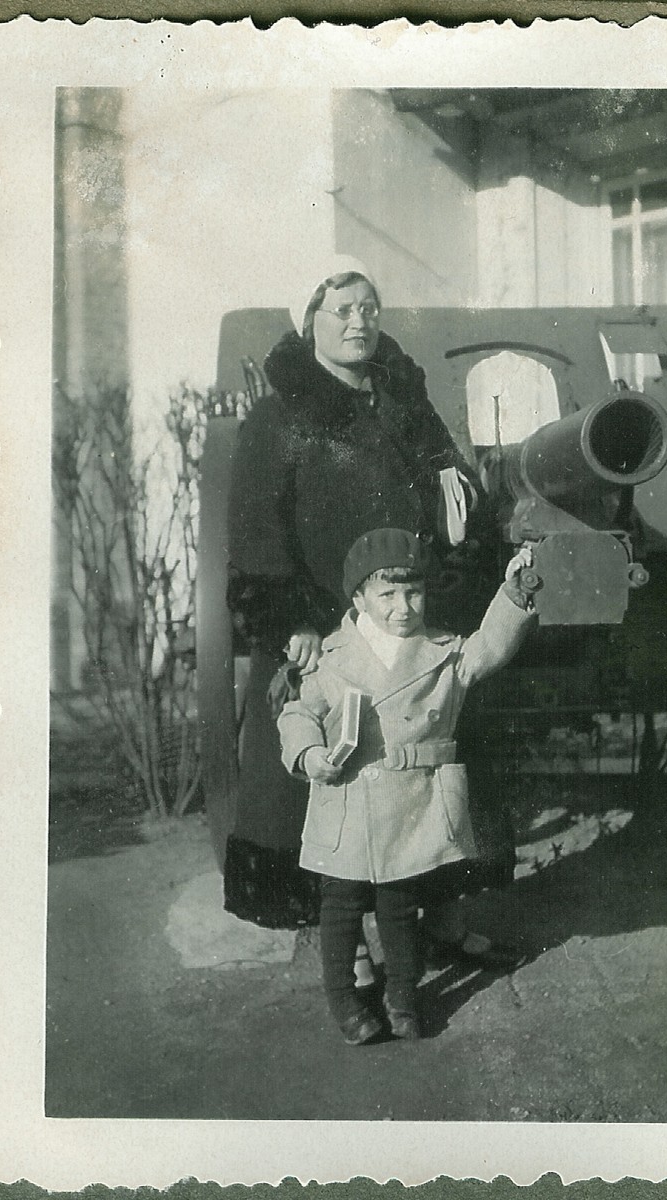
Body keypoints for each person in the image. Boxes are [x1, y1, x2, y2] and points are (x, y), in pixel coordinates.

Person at [225, 256, 479, 930]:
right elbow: (255, 528)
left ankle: (419, 918)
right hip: (316, 625)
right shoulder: (278, 417)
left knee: (406, 768)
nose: (358, 321)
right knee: (318, 775)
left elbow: (443, 474)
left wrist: (450, 477)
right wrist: (288, 623)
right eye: (342, 310)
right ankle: (333, 937)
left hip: (400, 614)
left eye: (369, 308)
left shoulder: (403, 404)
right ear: (311, 323)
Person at [277, 528, 536, 1044]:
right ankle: (345, 999)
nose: (402, 607)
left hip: (412, 802)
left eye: (413, 592)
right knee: (341, 905)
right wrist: (308, 754)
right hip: (346, 799)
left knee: (400, 903)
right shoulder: (332, 658)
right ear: (359, 599)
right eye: (387, 594)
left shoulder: (442, 653)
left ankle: (402, 995)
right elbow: (298, 712)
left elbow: (488, 647)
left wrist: (514, 594)